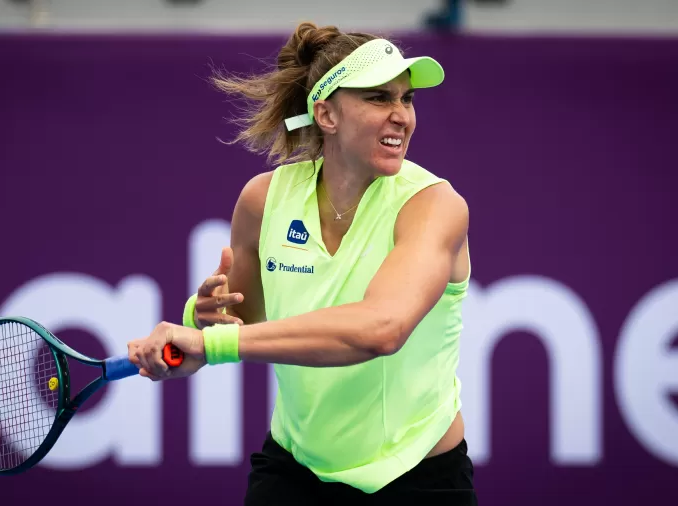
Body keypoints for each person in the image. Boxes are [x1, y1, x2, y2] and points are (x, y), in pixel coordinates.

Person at [128, 21, 476, 505]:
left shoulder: (434, 205)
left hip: (419, 479)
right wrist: (204, 316)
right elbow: (239, 316)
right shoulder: (263, 200)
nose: (402, 116)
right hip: (294, 472)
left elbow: (382, 329)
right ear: (326, 114)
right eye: (379, 98)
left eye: (407, 98)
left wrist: (212, 344)